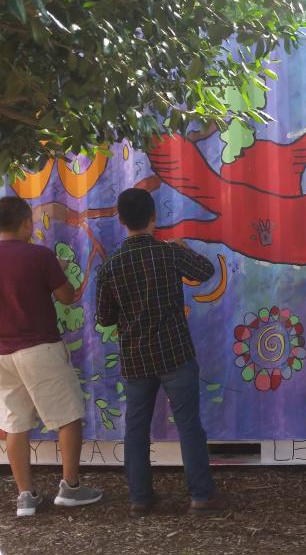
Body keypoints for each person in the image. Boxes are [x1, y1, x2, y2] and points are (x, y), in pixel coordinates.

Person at [95, 188, 218, 517]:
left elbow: (104, 317)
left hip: (135, 360)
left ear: (120, 220)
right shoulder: (168, 253)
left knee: (135, 429)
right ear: (154, 217)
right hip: (175, 354)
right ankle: (200, 497)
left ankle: (140, 499)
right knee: (189, 425)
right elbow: (206, 272)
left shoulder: (110, 266)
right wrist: (184, 248)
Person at [0, 196, 103, 516]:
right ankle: (70, 488)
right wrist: (56, 272)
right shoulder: (39, 255)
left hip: (1, 355)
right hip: (39, 348)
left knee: (15, 423)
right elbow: (67, 297)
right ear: (26, 223)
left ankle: (25, 496)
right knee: (68, 417)